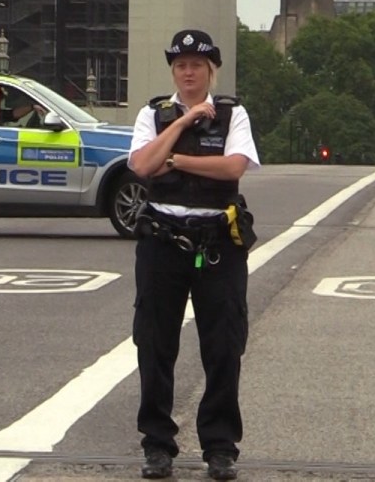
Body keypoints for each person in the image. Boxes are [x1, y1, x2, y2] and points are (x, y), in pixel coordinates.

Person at [127, 28, 260, 481]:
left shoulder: (232, 114)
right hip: (162, 241)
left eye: (196, 66)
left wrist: (179, 161)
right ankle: (157, 445)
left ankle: (220, 447)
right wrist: (182, 124)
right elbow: (142, 166)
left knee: (223, 345)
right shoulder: (154, 114)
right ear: (173, 71)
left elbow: (233, 166)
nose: (188, 73)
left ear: (211, 70)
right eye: (181, 65)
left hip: (217, 242)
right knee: (154, 344)